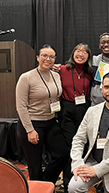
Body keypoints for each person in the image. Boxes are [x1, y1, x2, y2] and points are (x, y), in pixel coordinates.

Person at [16, 44, 68, 184]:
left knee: (62, 153)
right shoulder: (26, 77)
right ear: (38, 57)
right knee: (35, 164)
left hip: (50, 121)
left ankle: (45, 182)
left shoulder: (56, 75)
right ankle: (37, 187)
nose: (48, 59)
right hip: (32, 123)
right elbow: (21, 106)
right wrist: (30, 130)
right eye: (44, 55)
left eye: (51, 56)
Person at [58, 43, 93, 192]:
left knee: (84, 144)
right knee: (71, 145)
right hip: (67, 109)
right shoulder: (61, 69)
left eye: (84, 52)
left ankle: (82, 179)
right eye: (78, 51)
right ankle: (68, 181)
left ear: (88, 57)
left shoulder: (90, 72)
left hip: (84, 109)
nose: (81, 54)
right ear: (73, 53)